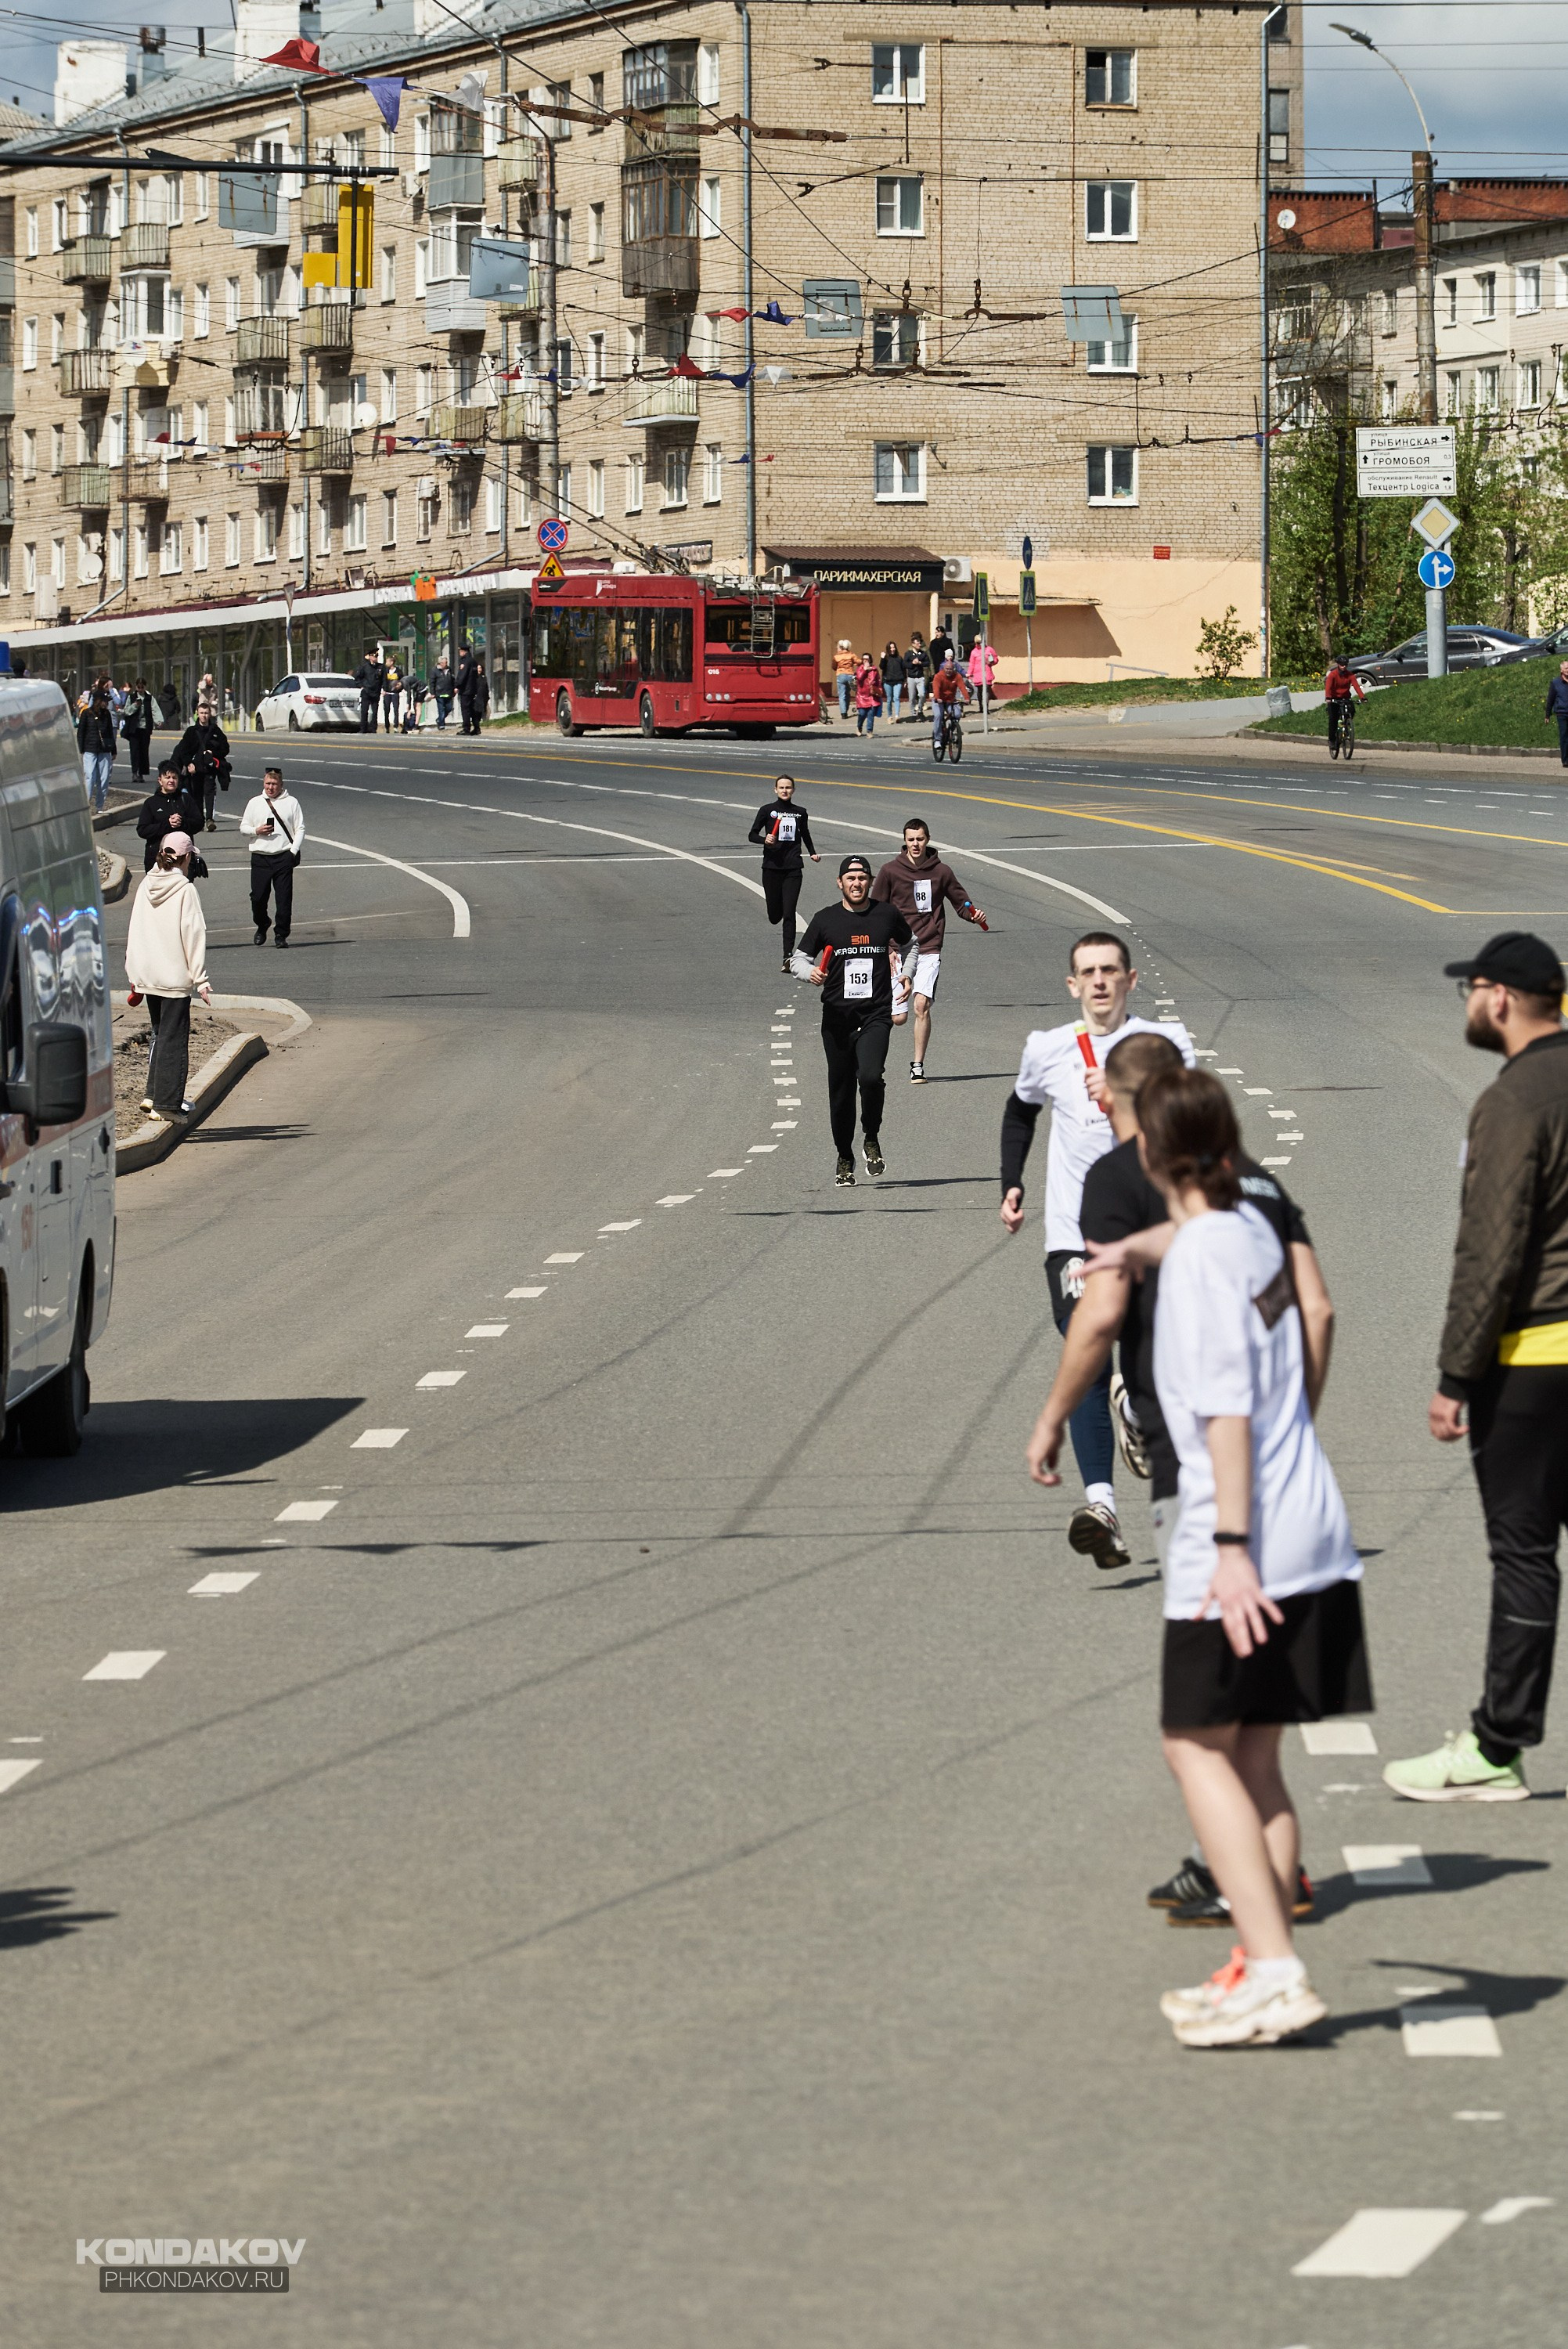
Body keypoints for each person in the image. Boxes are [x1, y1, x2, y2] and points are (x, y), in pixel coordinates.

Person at [1083, 1066, 1366, 2048]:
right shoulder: (1247, 1225)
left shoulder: (1203, 1261)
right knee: (1252, 1756)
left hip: (1235, 1536)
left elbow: (1227, 1412)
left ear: (1152, 1156)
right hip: (1314, 1526)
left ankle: (1277, 1974)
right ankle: (1259, 1960)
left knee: (1192, 1744)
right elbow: (1189, 1239)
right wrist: (1129, 1247)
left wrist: (1233, 1550)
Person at [1027, 1029, 1334, 1929]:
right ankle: (1262, 1895)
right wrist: (1298, 1423)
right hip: (1291, 1479)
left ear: (1120, 1105)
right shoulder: (1258, 1187)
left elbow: (1104, 1315)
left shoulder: (1127, 1184)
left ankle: (1262, 1945)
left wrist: (1052, 1416)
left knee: (1199, 1733)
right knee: (1254, 1731)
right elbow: (1311, 1307)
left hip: (1200, 1479)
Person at [1386, 931, 1568, 1805]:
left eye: (1470, 989)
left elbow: (1490, 1252)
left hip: (1532, 1360)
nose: (1464, 1004)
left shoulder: (1512, 1101)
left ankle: (1496, 1748)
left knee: (1525, 1553)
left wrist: (1456, 1377)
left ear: (1498, 997)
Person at [1000, 933, 1194, 1571]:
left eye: (1111, 970)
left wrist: (1124, 1099)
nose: (1100, 982)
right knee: (1084, 1347)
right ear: (1072, 984)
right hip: (1072, 1236)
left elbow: (1189, 1127)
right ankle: (1101, 1506)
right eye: (1088, 972)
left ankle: (1135, 1407)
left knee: (1150, 1356)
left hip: (1151, 1227)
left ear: (1130, 979)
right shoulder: (1047, 1048)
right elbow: (1020, 1110)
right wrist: (1011, 1180)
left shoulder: (1165, 1048)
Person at [791, 855, 916, 1187]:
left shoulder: (886, 915)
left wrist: (906, 973)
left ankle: (871, 1136)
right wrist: (811, 973)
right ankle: (844, 1155)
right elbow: (797, 960)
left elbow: (911, 944)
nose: (857, 883)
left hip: (875, 1013)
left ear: (870, 881)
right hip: (837, 1018)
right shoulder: (825, 920)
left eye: (862, 877)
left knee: (872, 1077)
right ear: (840, 883)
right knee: (842, 1091)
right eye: (850, 878)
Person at [870, 817, 987, 1083]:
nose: (915, 844)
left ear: (928, 839)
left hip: (929, 946)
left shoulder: (942, 872)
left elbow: (961, 904)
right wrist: (886, 947)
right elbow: (876, 912)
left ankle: (918, 1065)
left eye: (920, 839)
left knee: (921, 1004)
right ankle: (871, 1056)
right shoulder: (890, 871)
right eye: (911, 839)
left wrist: (974, 916)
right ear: (904, 841)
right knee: (898, 1017)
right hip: (898, 950)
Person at [124, 831, 212, 1122]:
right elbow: (194, 936)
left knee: (160, 1035)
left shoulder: (146, 883)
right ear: (187, 858)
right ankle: (167, 1103)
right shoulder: (185, 890)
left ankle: (153, 1095)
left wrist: (134, 971)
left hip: (148, 975)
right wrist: (200, 979)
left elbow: (135, 929)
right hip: (174, 978)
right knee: (174, 1039)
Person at [748, 774, 821, 972]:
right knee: (775, 915)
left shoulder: (800, 813)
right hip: (771, 868)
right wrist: (765, 840)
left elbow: (805, 833)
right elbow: (752, 834)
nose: (785, 791)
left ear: (793, 790)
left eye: (788, 787)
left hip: (793, 868)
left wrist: (812, 852)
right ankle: (775, 910)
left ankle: (787, 957)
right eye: (781, 787)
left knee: (790, 913)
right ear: (775, 790)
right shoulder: (767, 811)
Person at [240, 764, 305, 950]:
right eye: (268, 783)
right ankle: (262, 925)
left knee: (284, 899)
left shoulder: (292, 802)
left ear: (281, 784)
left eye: (274, 784)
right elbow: (243, 828)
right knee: (258, 898)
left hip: (283, 856)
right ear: (264, 782)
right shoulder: (255, 802)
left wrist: (293, 851)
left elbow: (300, 828)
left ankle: (281, 935)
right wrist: (256, 830)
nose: (271, 787)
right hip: (260, 857)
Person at [136, 760, 204, 871]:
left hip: (183, 860)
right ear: (160, 780)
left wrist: (182, 822)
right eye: (167, 778)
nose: (171, 781)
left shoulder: (186, 799)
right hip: (157, 859)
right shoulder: (151, 803)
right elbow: (142, 830)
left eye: (174, 778)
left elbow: (199, 823)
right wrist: (167, 824)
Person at [172, 705, 230, 833]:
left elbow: (225, 748)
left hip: (209, 769)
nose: (204, 715)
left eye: (206, 713)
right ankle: (200, 820)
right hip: (195, 770)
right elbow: (184, 750)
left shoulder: (215, 731)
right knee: (197, 795)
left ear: (210, 714)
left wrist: (212, 753)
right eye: (202, 713)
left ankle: (210, 820)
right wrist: (188, 764)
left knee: (210, 793)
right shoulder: (191, 731)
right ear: (197, 714)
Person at [77, 688, 116, 815]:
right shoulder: (87, 713)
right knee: (90, 777)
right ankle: (86, 806)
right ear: (98, 701)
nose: (107, 703)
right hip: (90, 749)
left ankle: (99, 806)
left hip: (104, 750)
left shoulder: (107, 714)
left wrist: (113, 750)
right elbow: (81, 732)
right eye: (105, 701)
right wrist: (80, 749)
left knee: (103, 779)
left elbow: (111, 733)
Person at [928, 650, 971, 755]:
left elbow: (962, 688)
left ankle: (953, 732)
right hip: (939, 701)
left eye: (951, 669)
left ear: (953, 669)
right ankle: (937, 740)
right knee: (938, 715)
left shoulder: (957, 676)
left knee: (957, 714)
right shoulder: (939, 676)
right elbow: (936, 688)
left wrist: (967, 698)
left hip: (950, 701)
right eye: (947, 669)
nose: (949, 671)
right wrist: (937, 698)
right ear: (944, 668)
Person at [1323, 651, 1364, 756]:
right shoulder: (1333, 675)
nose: (1343, 667)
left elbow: (1356, 686)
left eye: (1345, 665)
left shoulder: (1349, 675)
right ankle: (1332, 740)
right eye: (1342, 665)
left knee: (1352, 711)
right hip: (1333, 698)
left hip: (1345, 697)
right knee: (1333, 720)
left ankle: (1346, 724)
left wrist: (1362, 697)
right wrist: (1328, 697)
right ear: (1338, 665)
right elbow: (1328, 687)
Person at [121, 676, 155, 785]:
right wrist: (135, 705)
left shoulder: (149, 698)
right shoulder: (131, 698)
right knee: (134, 751)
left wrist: (159, 721)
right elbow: (126, 711)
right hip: (134, 729)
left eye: (142, 687)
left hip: (145, 728)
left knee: (144, 751)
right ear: (136, 687)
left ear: (145, 687)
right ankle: (134, 772)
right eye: (138, 687)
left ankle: (142, 773)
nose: (140, 689)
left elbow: (155, 709)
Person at [967, 635, 1000, 716]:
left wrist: (991, 662)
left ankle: (986, 708)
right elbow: (972, 664)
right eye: (978, 643)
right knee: (980, 691)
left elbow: (995, 659)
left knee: (987, 690)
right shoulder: (974, 652)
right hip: (978, 674)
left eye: (981, 643)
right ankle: (981, 706)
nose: (980, 645)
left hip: (987, 672)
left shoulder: (989, 650)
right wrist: (969, 674)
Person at [1544, 661, 1568, 767]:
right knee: (1564, 737)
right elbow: (1551, 699)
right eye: (1566, 668)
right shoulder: (1556, 683)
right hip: (1562, 713)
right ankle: (1565, 760)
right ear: (1561, 670)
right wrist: (1547, 714)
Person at [355, 649, 384, 734]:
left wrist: (384, 689)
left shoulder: (381, 667)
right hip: (366, 692)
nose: (376, 658)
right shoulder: (364, 667)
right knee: (364, 711)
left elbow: (383, 679)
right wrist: (361, 686)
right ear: (370, 657)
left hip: (376, 692)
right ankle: (363, 728)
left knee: (375, 712)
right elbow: (358, 678)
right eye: (374, 656)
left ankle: (373, 728)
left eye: (377, 656)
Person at [853, 653, 883, 736]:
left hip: (872, 695)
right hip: (862, 695)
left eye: (867, 659)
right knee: (862, 713)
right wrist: (865, 670)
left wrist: (879, 690)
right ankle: (859, 726)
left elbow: (878, 681)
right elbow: (859, 678)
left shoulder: (874, 669)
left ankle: (869, 731)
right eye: (864, 659)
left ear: (870, 660)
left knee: (871, 713)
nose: (865, 661)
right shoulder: (860, 669)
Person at [905, 630, 931, 721]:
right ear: (913, 644)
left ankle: (920, 710)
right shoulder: (908, 654)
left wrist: (920, 663)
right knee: (912, 697)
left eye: (919, 643)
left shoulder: (923, 653)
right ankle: (912, 713)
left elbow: (928, 663)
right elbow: (905, 664)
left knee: (922, 694)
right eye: (917, 644)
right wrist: (912, 663)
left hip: (920, 677)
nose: (919, 645)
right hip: (911, 678)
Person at [880, 640, 907, 725]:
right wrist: (883, 658)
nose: (893, 649)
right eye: (891, 648)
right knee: (889, 699)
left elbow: (903, 669)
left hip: (898, 680)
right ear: (888, 649)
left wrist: (905, 679)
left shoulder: (899, 658)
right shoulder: (886, 658)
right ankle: (889, 716)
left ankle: (897, 716)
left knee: (896, 698)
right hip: (888, 681)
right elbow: (882, 667)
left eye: (894, 647)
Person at [831, 639, 856, 720]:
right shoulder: (852, 655)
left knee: (842, 695)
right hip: (850, 674)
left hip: (840, 675)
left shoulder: (836, 656)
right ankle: (846, 709)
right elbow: (858, 662)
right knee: (848, 694)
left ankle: (843, 713)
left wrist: (839, 669)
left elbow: (834, 666)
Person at [381, 652, 404, 734]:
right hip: (387, 693)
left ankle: (395, 726)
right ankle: (387, 727)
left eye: (387, 662)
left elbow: (402, 681)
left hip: (395, 694)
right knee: (386, 710)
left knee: (396, 710)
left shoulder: (398, 671)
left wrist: (400, 689)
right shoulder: (385, 671)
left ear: (391, 662)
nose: (386, 663)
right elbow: (383, 681)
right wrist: (383, 689)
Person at [431, 655, 454, 731]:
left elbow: (453, 680)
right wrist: (432, 692)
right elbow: (432, 682)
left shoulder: (449, 670)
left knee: (449, 708)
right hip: (439, 693)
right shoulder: (435, 671)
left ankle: (439, 719)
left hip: (448, 692)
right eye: (445, 663)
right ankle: (442, 725)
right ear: (440, 663)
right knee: (441, 709)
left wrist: (454, 688)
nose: (446, 664)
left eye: (447, 662)